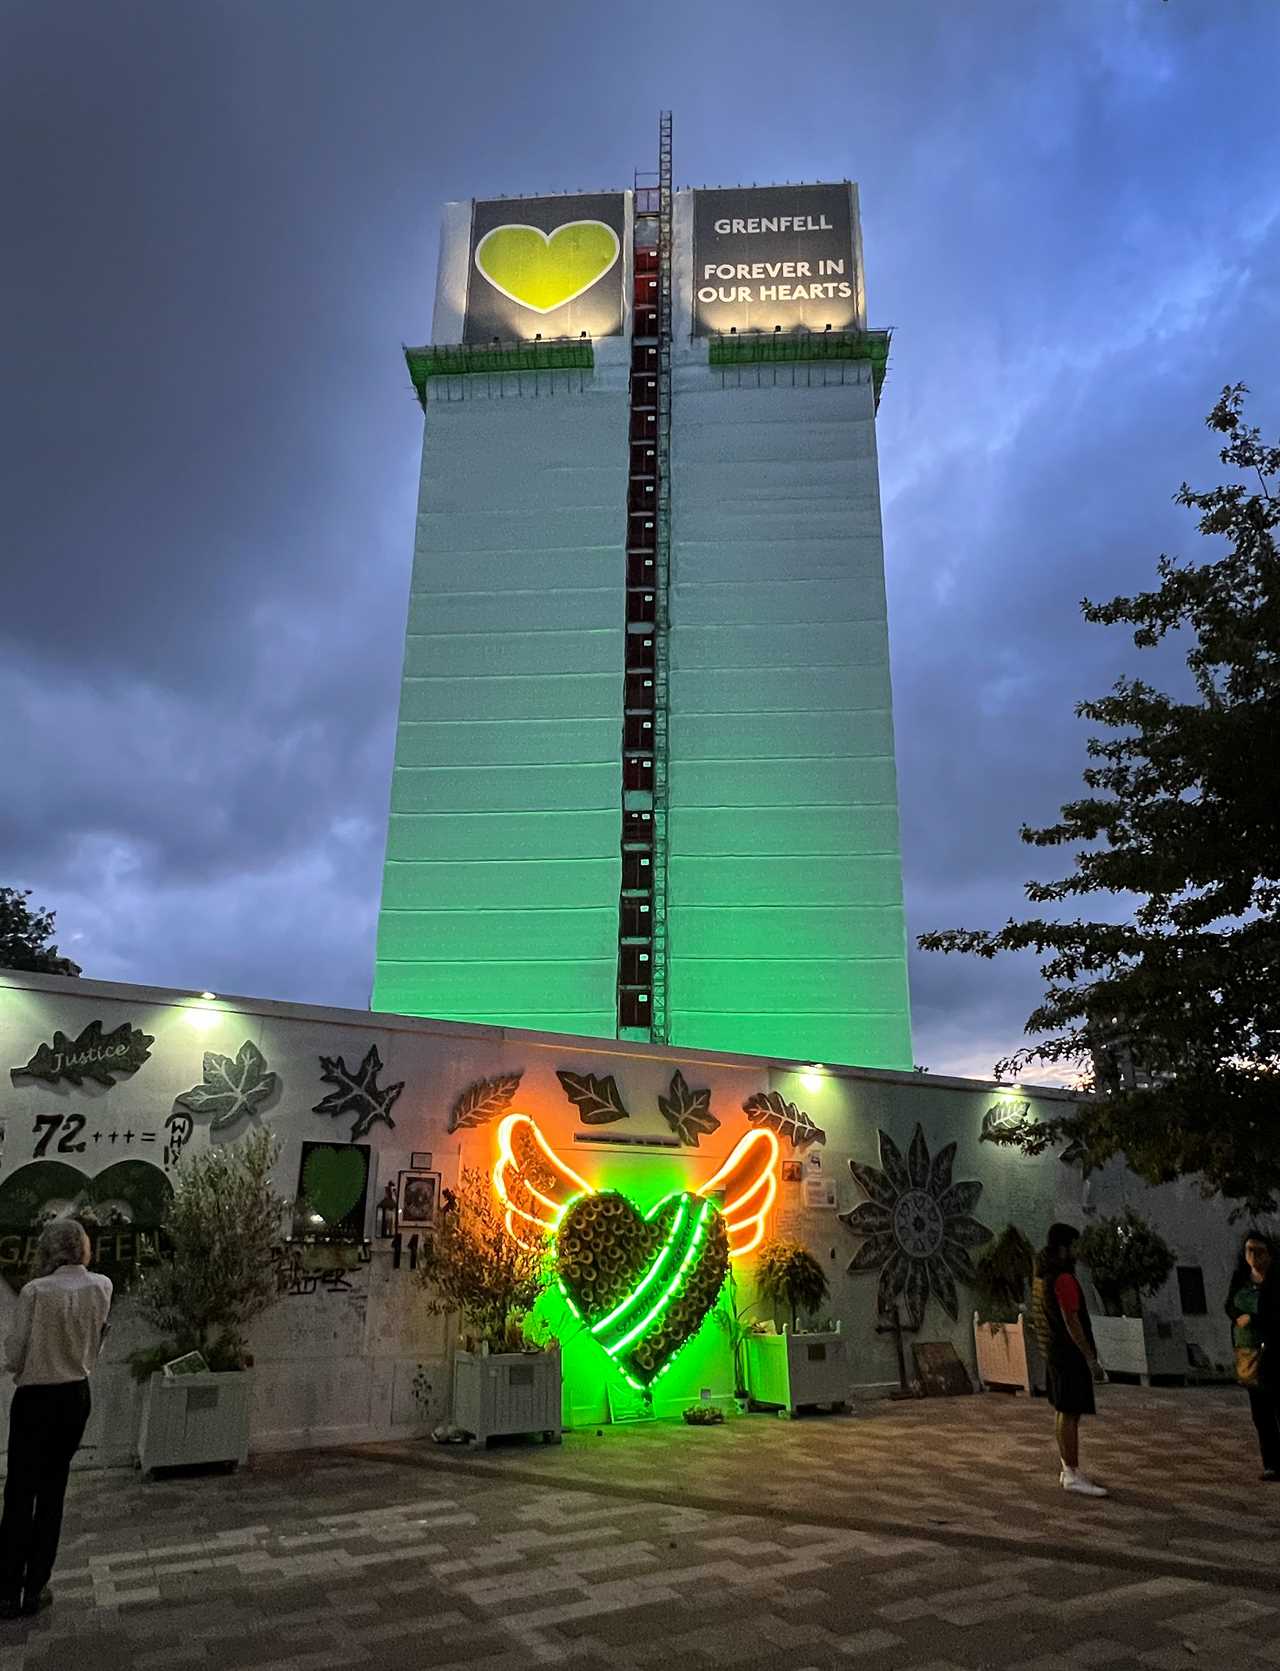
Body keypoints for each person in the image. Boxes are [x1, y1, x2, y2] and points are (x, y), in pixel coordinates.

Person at [0, 1218, 112, 1618]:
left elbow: (15, 1351)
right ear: (82, 1247)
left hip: (35, 1399)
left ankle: (8, 1587)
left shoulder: (34, 1291)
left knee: (19, 1493)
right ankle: (36, 1586)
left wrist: (19, 1366)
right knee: (52, 1491)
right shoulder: (102, 1287)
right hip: (75, 1397)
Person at [1031, 1221, 1107, 1497]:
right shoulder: (1063, 1278)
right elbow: (1071, 1319)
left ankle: (1068, 1469)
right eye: (1075, 1246)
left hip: (1052, 1351)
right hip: (1067, 1353)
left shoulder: (1041, 1276)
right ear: (1065, 1248)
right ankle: (1072, 1471)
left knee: (1062, 1411)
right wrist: (1090, 1357)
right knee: (1070, 1413)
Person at [1225, 1229, 1280, 1480]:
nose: (1254, 1256)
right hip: (1249, 1352)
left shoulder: (1276, 1281)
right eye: (1249, 1251)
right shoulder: (1241, 1279)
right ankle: (1271, 1463)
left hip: (1274, 1350)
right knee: (1261, 1413)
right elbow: (1229, 1306)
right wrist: (1239, 1317)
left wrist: (1254, 1317)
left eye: (1259, 1251)